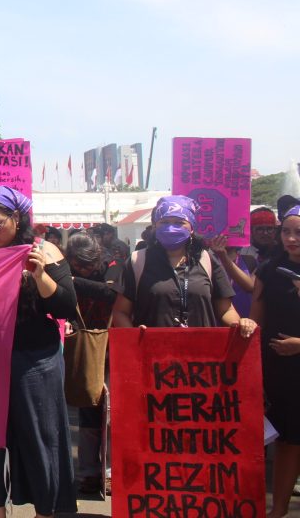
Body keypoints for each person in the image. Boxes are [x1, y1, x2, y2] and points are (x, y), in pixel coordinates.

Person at [0, 186, 78, 518]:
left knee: (39, 439)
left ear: (17, 218)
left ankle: (45, 511)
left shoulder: (44, 250)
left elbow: (66, 304)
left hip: (34, 361)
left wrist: (39, 274)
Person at [112, 195, 257, 334]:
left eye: (179, 222)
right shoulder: (137, 261)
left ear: (192, 227)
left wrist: (241, 324)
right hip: (153, 354)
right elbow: (120, 312)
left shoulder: (206, 259)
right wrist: (133, 335)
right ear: (155, 226)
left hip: (201, 353)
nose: (170, 228)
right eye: (164, 222)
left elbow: (225, 310)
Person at [63, 233, 122, 497]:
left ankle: (109, 473)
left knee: (111, 414)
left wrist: (74, 281)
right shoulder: (67, 267)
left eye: (87, 266)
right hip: (84, 347)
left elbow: (111, 293)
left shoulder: (115, 265)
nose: (82, 270)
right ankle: (88, 472)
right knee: (87, 409)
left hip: (113, 346)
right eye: (77, 266)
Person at [251, 204, 300, 517]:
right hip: (280, 373)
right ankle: (278, 510)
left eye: (298, 233)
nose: (291, 238)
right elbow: (255, 322)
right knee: (288, 442)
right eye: (287, 232)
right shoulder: (268, 271)